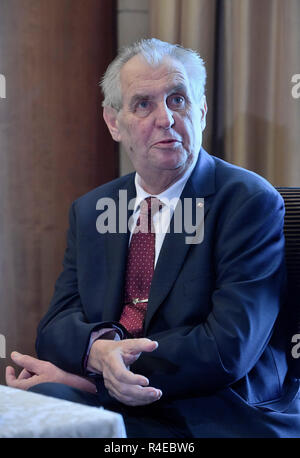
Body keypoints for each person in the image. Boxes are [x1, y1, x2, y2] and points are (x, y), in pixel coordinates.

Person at [6, 38, 300, 438]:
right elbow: (56, 326)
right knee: (26, 414)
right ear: (114, 122)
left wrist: (100, 376)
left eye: (177, 99)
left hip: (216, 407)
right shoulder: (93, 210)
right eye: (143, 103)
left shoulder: (248, 202)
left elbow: (227, 349)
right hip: (127, 402)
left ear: (202, 110)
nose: (165, 118)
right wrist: (96, 354)